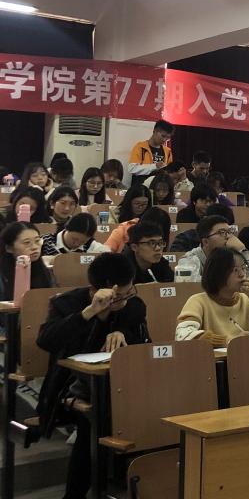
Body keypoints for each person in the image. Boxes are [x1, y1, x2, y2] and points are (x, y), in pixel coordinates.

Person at [36, 252, 149, 499]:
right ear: (94, 290)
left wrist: (121, 330)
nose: (124, 300)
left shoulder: (131, 304)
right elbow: (45, 340)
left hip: (120, 385)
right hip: (69, 386)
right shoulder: (66, 304)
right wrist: (88, 313)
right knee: (96, 418)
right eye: (118, 297)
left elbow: (138, 314)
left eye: (128, 293)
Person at [175, 247, 249, 345]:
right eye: (235, 270)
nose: (242, 274)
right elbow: (183, 335)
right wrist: (228, 340)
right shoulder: (198, 301)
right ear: (218, 273)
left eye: (243, 268)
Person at [175, 215, 249, 281]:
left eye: (229, 232)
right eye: (222, 232)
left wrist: (242, 251)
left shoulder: (232, 257)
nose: (228, 237)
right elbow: (189, 287)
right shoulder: (189, 260)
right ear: (206, 242)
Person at [1, 222, 54, 299]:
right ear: (9, 248)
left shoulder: (45, 271)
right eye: (27, 243)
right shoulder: (2, 276)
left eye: (37, 241)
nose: (34, 247)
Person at [41, 212, 109, 256]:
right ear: (67, 229)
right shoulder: (45, 241)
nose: (77, 244)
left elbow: (107, 253)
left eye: (83, 242)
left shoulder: (90, 245)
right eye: (74, 239)